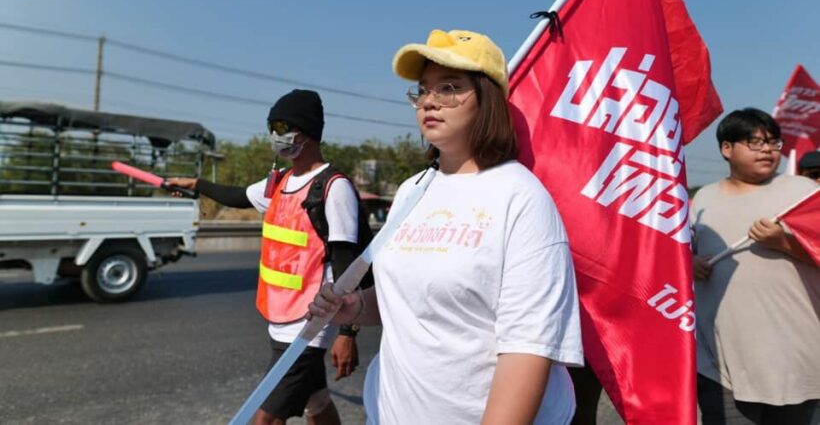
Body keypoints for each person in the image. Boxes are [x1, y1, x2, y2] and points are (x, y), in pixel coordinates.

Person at [309, 29, 584, 424]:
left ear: (487, 100)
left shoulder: (521, 198)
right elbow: (410, 302)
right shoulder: (411, 192)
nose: (429, 102)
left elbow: (529, 348)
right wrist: (355, 307)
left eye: (449, 87)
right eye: (422, 91)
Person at [169, 89, 365, 425]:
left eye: (280, 126)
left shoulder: (333, 188)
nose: (274, 136)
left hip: (311, 323)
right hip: (280, 313)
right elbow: (237, 196)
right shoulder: (281, 182)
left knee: (263, 418)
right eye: (271, 127)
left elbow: (350, 267)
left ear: (303, 131)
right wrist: (197, 184)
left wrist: (347, 333)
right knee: (315, 402)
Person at [690, 108, 819, 425]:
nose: (767, 150)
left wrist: (783, 243)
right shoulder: (701, 201)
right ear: (726, 149)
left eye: (773, 143)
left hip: (800, 362)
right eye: (754, 142)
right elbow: (672, 259)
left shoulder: (803, 195)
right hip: (722, 364)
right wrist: (689, 264)